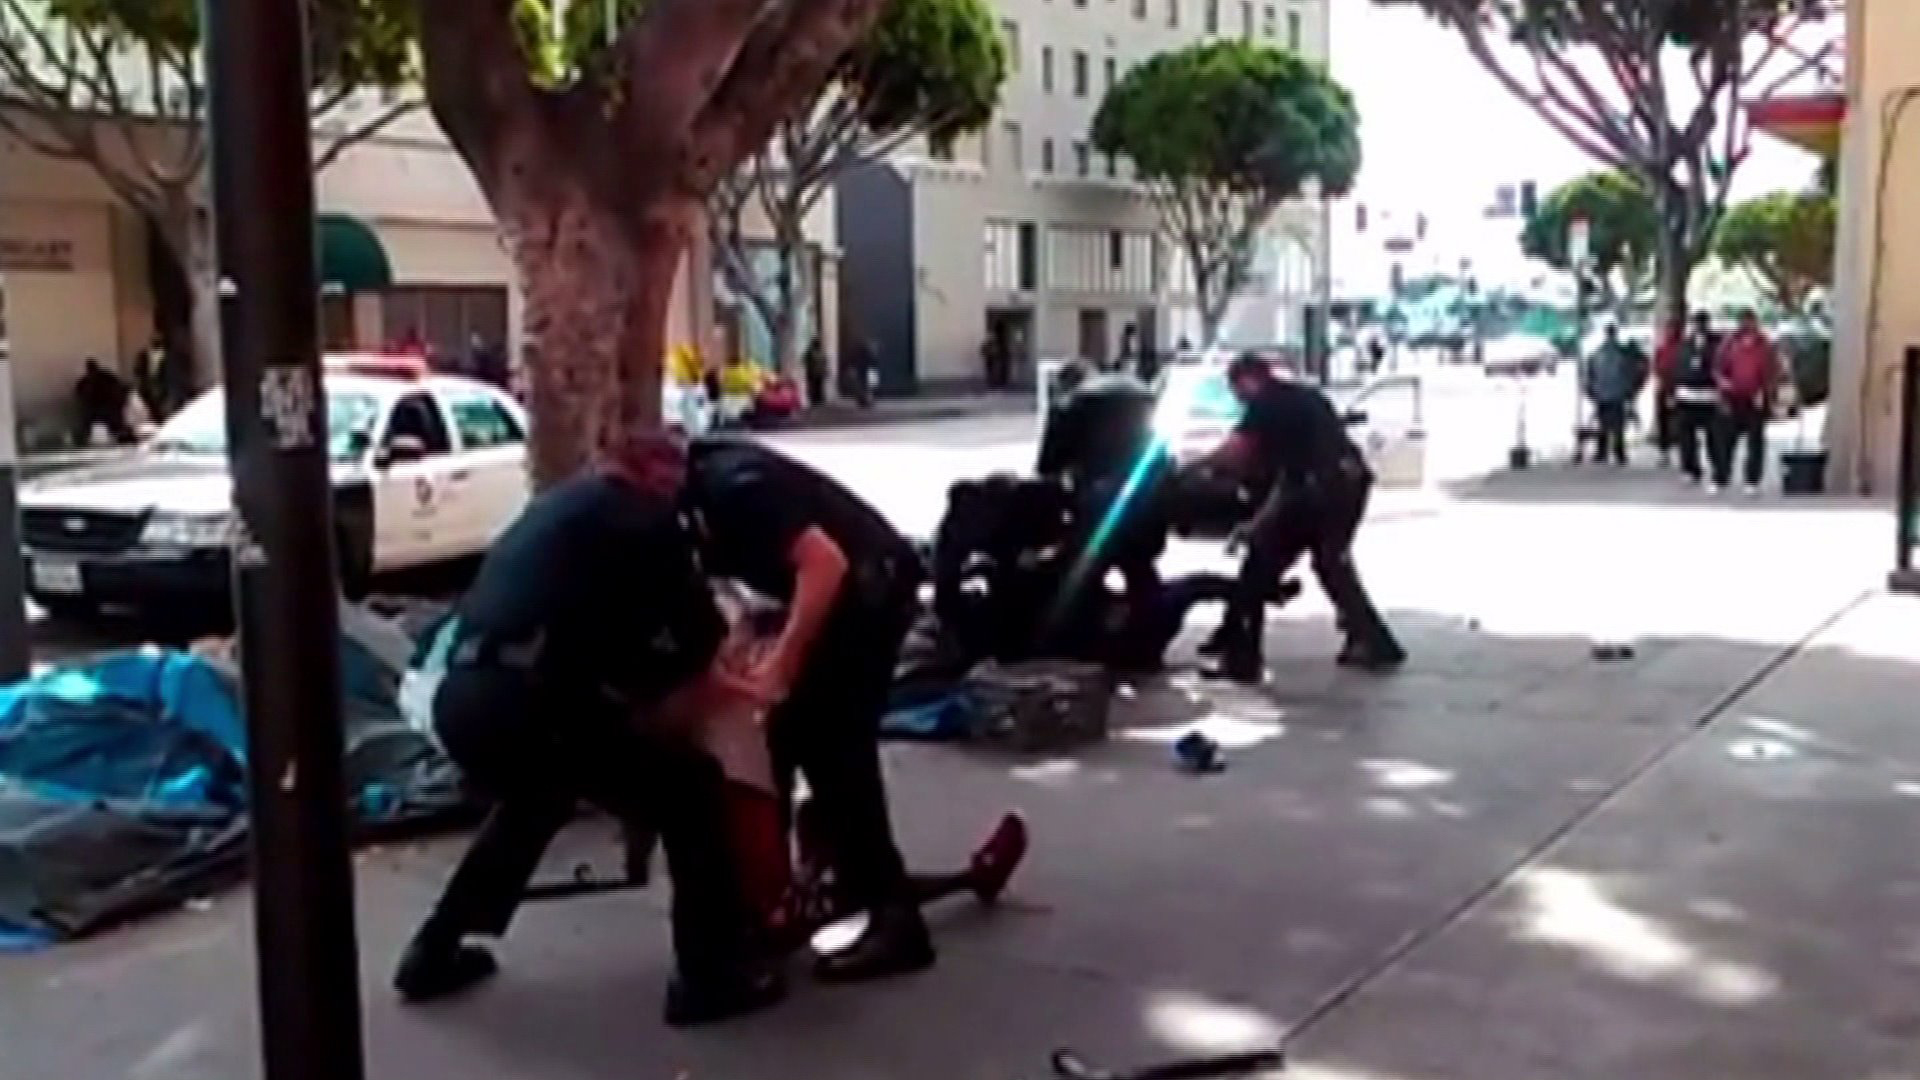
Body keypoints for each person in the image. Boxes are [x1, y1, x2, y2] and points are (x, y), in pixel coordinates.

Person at [393, 432, 782, 1026]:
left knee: (539, 794)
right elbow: (697, 640)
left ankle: (433, 950)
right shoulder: (648, 522)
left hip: (461, 697)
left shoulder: (556, 509)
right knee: (691, 790)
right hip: (530, 699)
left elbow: (593, 631)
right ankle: (710, 976)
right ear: (659, 475)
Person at [679, 436, 932, 982]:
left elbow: (824, 564)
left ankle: (895, 918)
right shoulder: (691, 499)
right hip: (846, 592)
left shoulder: (738, 485)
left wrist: (781, 668)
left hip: (869, 588)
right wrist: (744, 652)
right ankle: (810, 883)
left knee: (836, 750)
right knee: (789, 740)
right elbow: (742, 588)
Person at [1199, 353, 1405, 681]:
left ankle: (1242, 660)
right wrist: (1259, 522)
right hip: (1349, 482)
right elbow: (1290, 474)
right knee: (1330, 562)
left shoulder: (1265, 404)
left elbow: (1238, 453)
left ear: (1249, 380)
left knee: (1257, 570)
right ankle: (1374, 642)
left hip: (1316, 490)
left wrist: (1196, 467)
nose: (1235, 395)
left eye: (1234, 387)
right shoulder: (1308, 396)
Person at [1713, 309, 1785, 494]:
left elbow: (1772, 371)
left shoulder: (1765, 345)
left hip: (1755, 399)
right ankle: (1721, 476)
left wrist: (1767, 393)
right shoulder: (1729, 344)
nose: (1748, 327)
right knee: (1725, 441)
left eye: (1751, 323)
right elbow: (1718, 368)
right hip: (1732, 397)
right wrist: (1723, 385)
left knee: (1755, 441)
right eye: (1744, 323)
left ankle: (1752, 479)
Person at [1672, 310, 1724, 488]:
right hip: (1686, 395)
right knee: (1686, 437)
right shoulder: (1685, 345)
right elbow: (1676, 368)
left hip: (1709, 395)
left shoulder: (1718, 344)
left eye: (1700, 324)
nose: (1697, 328)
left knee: (1714, 437)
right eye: (1695, 324)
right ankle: (1690, 468)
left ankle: (1718, 469)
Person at [1583, 324, 1644, 467]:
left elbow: (1590, 374)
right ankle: (1619, 453)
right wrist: (1631, 392)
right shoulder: (1622, 353)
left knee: (1602, 423)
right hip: (1618, 393)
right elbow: (1631, 373)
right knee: (1618, 424)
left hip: (1601, 392)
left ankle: (1602, 452)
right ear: (1615, 334)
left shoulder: (1597, 353)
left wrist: (1591, 391)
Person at [72, 359, 134, 445]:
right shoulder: (88, 380)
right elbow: (81, 394)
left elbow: (117, 388)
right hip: (99, 407)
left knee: (115, 425)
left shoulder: (99, 378)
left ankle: (124, 437)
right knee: (114, 425)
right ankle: (123, 437)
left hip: (105, 406)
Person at [1650, 313, 1685, 468]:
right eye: (1668, 328)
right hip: (1665, 387)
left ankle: (1681, 450)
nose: (1670, 331)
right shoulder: (1662, 347)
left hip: (1679, 388)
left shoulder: (1683, 347)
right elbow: (1656, 367)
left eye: (1673, 328)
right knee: (1664, 420)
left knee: (1681, 421)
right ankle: (1664, 451)